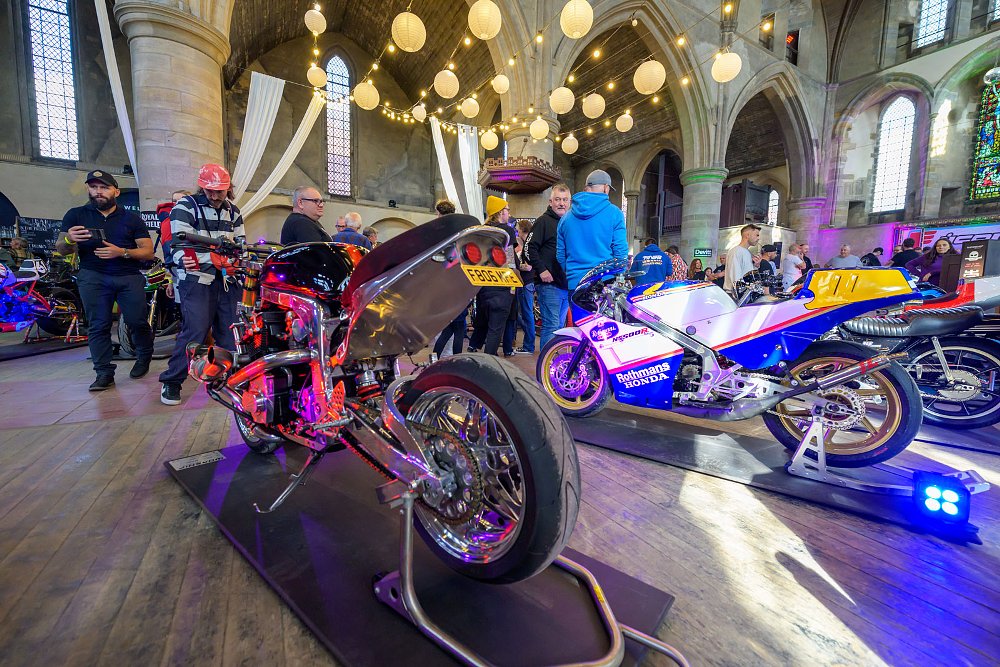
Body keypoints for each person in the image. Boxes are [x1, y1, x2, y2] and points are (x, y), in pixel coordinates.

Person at [54, 170, 155, 390]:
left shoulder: (131, 219)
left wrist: (122, 252)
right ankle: (103, 372)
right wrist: (70, 239)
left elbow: (147, 251)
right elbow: (60, 248)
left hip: (128, 276)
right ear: (88, 189)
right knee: (98, 325)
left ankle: (143, 356)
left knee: (137, 320)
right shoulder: (76, 215)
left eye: (104, 187)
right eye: (94, 187)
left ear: (115, 191)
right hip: (93, 276)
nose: (99, 192)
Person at [158, 163, 245, 405]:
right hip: (197, 280)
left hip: (227, 279)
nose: (215, 195)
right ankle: (171, 381)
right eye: (210, 190)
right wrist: (194, 258)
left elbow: (240, 243)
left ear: (228, 188)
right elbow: (178, 245)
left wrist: (231, 260)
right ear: (201, 186)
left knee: (232, 332)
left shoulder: (234, 211)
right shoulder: (186, 206)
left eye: (220, 190)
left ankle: (228, 378)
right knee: (195, 330)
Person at [556, 170, 627, 292]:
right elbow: (620, 253)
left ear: (586, 188)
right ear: (605, 188)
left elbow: (560, 255)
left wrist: (572, 274)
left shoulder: (565, 218)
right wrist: (618, 275)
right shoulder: (615, 213)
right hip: (604, 283)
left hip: (575, 284)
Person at [468, 196, 517, 356]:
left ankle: (479, 355)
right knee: (495, 330)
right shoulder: (506, 230)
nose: (508, 213)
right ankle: (489, 364)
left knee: (485, 324)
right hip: (501, 286)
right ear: (500, 212)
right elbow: (510, 260)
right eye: (507, 209)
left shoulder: (481, 230)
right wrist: (513, 285)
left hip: (483, 285)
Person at [526, 184, 571, 349]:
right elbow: (528, 248)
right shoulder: (543, 221)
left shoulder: (568, 223)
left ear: (569, 202)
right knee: (551, 326)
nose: (561, 203)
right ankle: (546, 365)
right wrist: (542, 270)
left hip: (564, 284)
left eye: (565, 200)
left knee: (559, 327)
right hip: (549, 284)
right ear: (550, 201)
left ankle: (552, 365)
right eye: (557, 199)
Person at [512, 218, 535, 354]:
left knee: (527, 314)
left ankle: (528, 346)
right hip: (527, 282)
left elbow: (528, 266)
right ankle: (528, 344)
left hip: (526, 282)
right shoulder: (528, 243)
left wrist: (519, 266)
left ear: (521, 229)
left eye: (517, 228)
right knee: (525, 313)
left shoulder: (528, 245)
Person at [723, 224, 761, 294]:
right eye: (757, 235)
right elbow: (735, 277)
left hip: (744, 293)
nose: (758, 238)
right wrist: (741, 292)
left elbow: (747, 274)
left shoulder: (747, 252)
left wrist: (756, 265)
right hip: (736, 295)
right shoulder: (736, 251)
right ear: (747, 235)